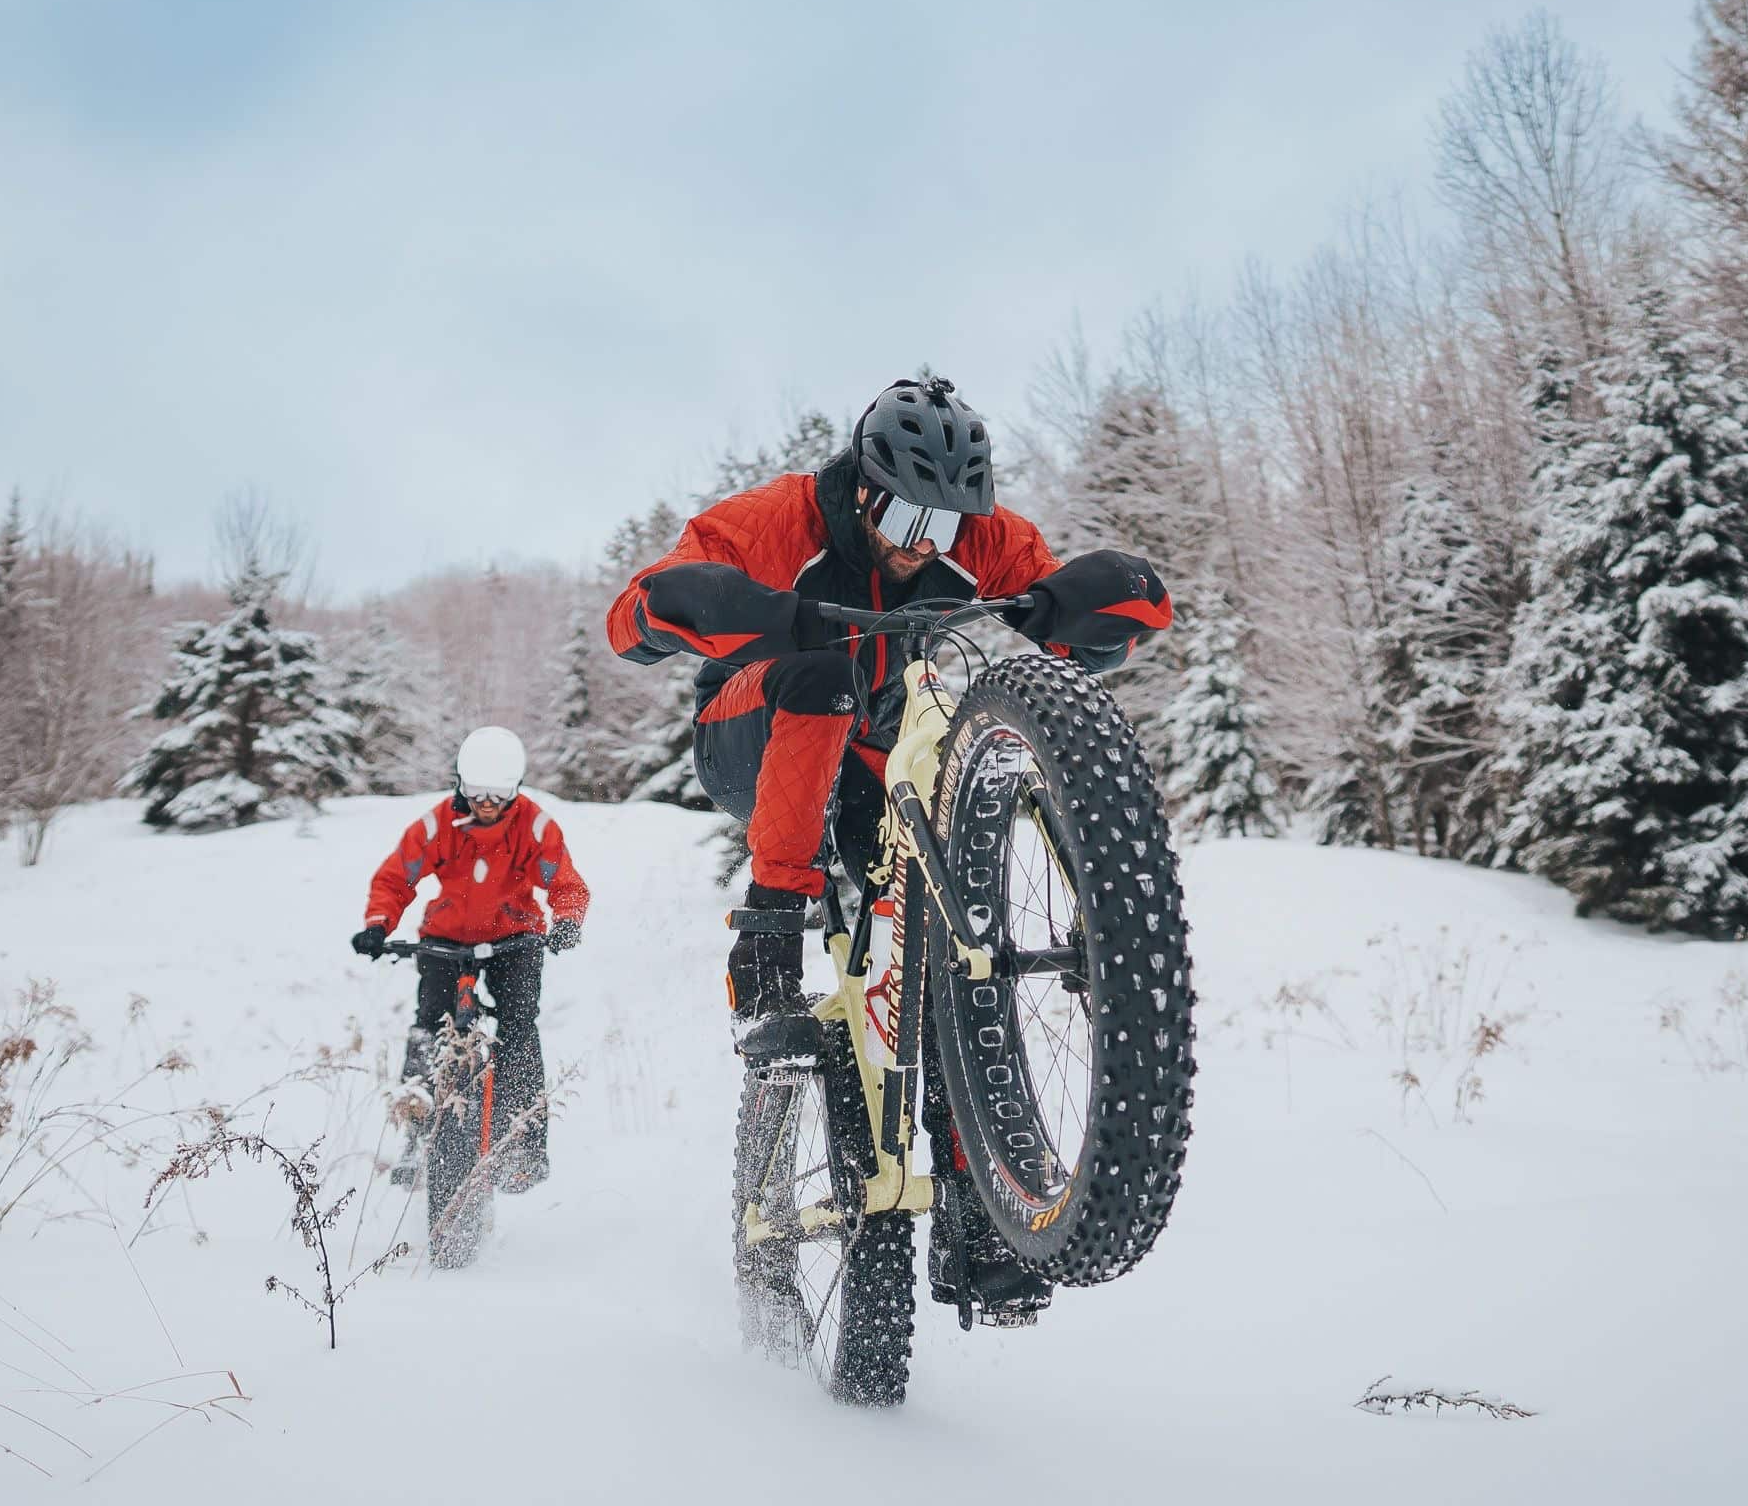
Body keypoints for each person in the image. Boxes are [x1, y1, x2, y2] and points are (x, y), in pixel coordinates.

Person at [605, 376, 1171, 1317]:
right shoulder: (782, 518)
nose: (924, 545)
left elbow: (1088, 604)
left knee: (941, 941)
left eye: (947, 527)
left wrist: (1069, 616)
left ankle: (973, 1213)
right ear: (863, 488)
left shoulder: (971, 536)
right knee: (825, 676)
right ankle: (773, 914)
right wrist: (716, 609)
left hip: (869, 756)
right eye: (906, 515)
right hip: (753, 729)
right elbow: (639, 611)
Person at [351, 725, 589, 1191]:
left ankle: (523, 1140)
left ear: (515, 789)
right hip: (445, 940)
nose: (486, 803)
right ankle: (419, 1135)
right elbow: (397, 877)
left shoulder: (535, 826)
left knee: (519, 1029)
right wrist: (379, 925)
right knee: (427, 1027)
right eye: (476, 791)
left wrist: (566, 922)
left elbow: (567, 884)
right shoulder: (437, 824)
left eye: (498, 794)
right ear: (460, 782)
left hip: (515, 940)